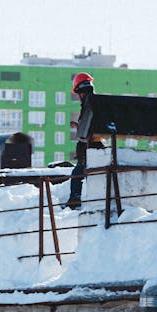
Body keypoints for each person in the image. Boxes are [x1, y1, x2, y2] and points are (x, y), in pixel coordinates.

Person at [65, 72, 94, 209]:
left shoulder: (89, 104)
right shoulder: (94, 102)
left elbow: (87, 132)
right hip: (94, 147)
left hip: (90, 150)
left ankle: (74, 201)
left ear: (80, 91)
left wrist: (80, 128)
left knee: (77, 174)